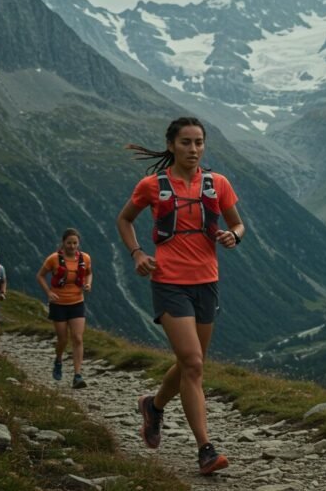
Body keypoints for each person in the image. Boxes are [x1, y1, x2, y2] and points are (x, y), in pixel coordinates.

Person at [116, 116, 243, 476]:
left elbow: (237, 222)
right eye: (186, 142)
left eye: (199, 142)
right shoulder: (152, 186)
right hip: (169, 281)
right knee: (194, 364)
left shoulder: (217, 183)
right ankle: (205, 449)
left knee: (192, 361)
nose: (193, 149)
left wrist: (235, 235)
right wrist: (138, 253)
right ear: (171, 145)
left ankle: (153, 406)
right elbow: (124, 220)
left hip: (207, 281)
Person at [36, 228, 93, 389]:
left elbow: (89, 273)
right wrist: (48, 292)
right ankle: (58, 360)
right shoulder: (53, 259)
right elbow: (40, 275)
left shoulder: (85, 258)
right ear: (63, 243)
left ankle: (77, 375)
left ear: (78, 243)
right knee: (62, 339)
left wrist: (88, 283)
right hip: (58, 304)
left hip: (77, 302)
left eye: (75, 243)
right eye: (69, 243)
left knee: (78, 338)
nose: (72, 246)